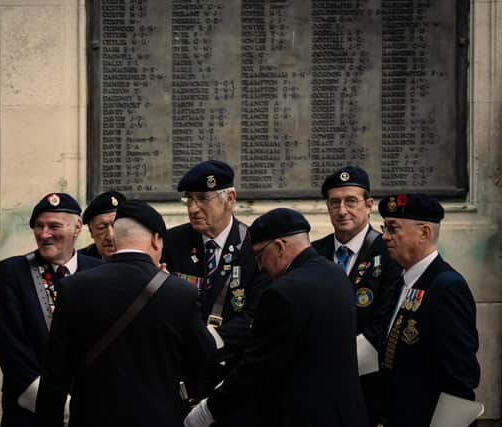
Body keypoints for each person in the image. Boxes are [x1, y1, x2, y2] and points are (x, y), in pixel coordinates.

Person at [36, 200, 217, 427]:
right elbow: (203, 358)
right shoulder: (180, 293)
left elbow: (55, 377)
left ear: (115, 239)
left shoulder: (74, 288)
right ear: (155, 239)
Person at [185, 208, 369, 427]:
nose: (260, 266)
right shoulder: (335, 273)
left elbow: (257, 368)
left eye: (260, 255)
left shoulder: (282, 293)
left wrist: (208, 410)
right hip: (345, 413)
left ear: (280, 246)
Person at [0, 192, 102, 426]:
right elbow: (12, 351)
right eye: (39, 226)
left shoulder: (101, 272)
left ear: (77, 227)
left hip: (93, 408)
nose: (44, 234)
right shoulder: (13, 272)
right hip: (32, 413)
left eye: (54, 226)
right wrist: (64, 408)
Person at [378, 193, 480, 427]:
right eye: (384, 227)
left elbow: (461, 378)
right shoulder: (404, 281)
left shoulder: (447, 287)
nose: (384, 236)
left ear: (424, 233)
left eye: (393, 228)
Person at [311, 166, 401, 424]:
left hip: (367, 384)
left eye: (351, 201)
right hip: (318, 386)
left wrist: (339, 362)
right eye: (335, 202)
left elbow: (385, 321)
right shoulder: (315, 253)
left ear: (368, 204)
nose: (342, 210)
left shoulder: (389, 253)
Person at [162, 160, 267, 374]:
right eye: (189, 199)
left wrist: (210, 342)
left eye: (202, 199)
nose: (193, 208)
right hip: (181, 367)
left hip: (233, 368)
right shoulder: (172, 243)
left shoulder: (253, 246)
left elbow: (256, 315)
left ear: (229, 199)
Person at [78, 190, 126, 259]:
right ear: (91, 231)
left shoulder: (143, 258)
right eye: (102, 228)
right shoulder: (80, 263)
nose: (110, 236)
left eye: (116, 226)